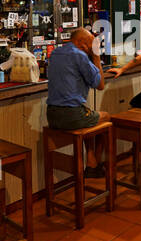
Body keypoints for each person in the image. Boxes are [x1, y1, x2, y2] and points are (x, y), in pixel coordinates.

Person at [45, 29, 116, 168]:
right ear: (81, 43)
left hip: (52, 115)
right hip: (71, 116)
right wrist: (96, 57)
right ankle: (94, 164)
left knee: (88, 115)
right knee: (106, 116)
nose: (91, 48)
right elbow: (100, 84)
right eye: (90, 44)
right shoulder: (79, 55)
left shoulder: (55, 53)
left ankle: (90, 159)